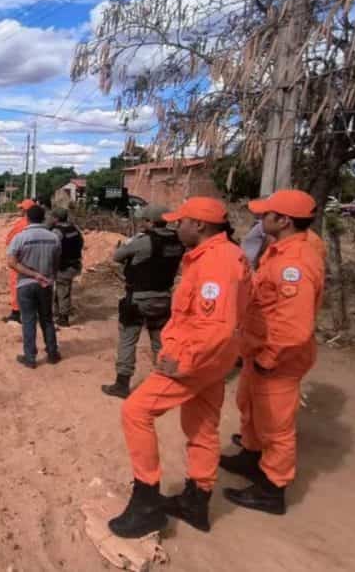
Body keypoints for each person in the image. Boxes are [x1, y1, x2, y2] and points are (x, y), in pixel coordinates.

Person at [109, 197, 251, 538]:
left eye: (182, 222)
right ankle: (196, 500)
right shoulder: (220, 255)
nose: (177, 227)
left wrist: (182, 362)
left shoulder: (217, 263)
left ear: (199, 225)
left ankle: (146, 502)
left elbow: (216, 325)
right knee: (202, 427)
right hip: (214, 362)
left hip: (193, 362)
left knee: (135, 411)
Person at [220, 190, 325, 515]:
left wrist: (268, 358)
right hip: (259, 349)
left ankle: (272, 488)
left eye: (266, 214)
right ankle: (251, 457)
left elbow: (294, 327)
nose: (259, 219)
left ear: (284, 220)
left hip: (278, 358)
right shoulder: (281, 251)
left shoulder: (294, 264)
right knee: (250, 405)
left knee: (276, 427)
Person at [102, 205, 185, 399]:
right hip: (164, 297)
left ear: (149, 221)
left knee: (128, 339)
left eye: (144, 221)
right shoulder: (177, 241)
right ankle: (166, 383)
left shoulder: (144, 241)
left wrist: (129, 247)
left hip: (139, 298)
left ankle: (122, 384)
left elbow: (117, 256)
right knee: (161, 342)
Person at [5, 204, 61, 368]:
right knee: (47, 319)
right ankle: (52, 353)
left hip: (25, 284)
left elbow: (11, 262)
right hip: (46, 284)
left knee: (29, 320)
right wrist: (49, 277)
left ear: (27, 218)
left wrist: (32, 274)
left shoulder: (20, 237)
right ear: (43, 218)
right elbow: (57, 261)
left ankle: (30, 358)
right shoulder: (54, 237)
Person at [3, 199, 36, 323]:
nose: (19, 210)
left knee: (15, 284)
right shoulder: (41, 224)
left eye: (21, 208)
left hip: (21, 260)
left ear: (25, 210)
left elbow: (9, 240)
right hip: (36, 261)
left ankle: (16, 313)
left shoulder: (21, 224)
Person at [49, 208, 84, 327]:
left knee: (63, 290)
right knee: (63, 288)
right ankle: (58, 312)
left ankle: (63, 317)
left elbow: (52, 248)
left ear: (56, 218)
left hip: (63, 265)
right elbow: (81, 243)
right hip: (74, 264)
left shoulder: (57, 232)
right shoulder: (74, 229)